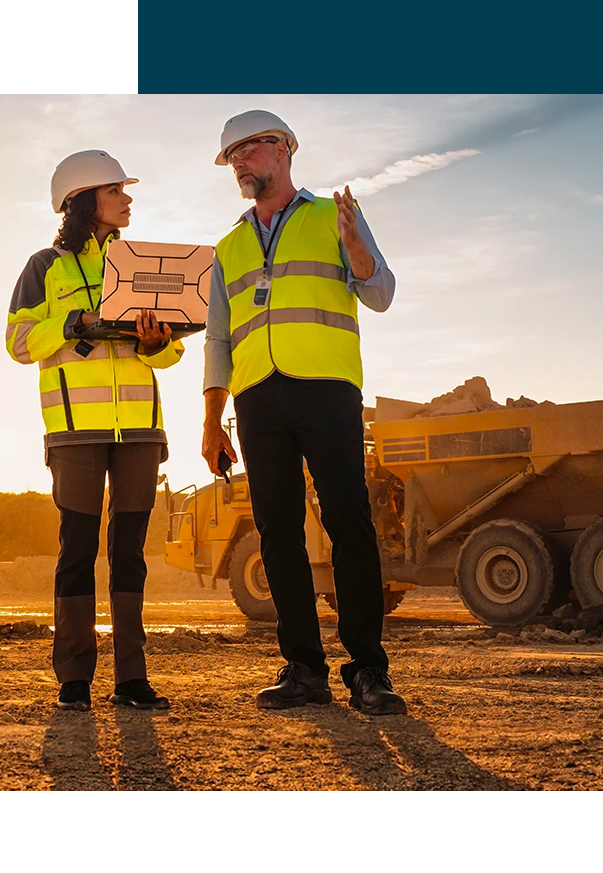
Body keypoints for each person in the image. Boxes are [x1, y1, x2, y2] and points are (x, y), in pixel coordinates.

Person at [201, 110, 407, 716]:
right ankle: (304, 669)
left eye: (250, 149)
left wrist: (356, 252)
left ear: (284, 149)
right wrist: (213, 421)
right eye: (232, 155)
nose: (240, 162)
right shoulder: (228, 246)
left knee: (348, 521)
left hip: (326, 388)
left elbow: (381, 293)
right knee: (277, 532)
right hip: (257, 395)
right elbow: (217, 340)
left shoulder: (333, 216)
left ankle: (369, 670)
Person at [5, 149, 183, 712]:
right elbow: (17, 342)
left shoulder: (139, 264)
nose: (128, 199)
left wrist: (157, 342)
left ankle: (132, 680)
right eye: (117, 191)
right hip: (74, 431)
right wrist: (69, 324)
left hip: (139, 431)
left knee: (129, 554)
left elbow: (171, 350)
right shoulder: (43, 267)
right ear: (84, 199)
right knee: (77, 551)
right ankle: (74, 678)